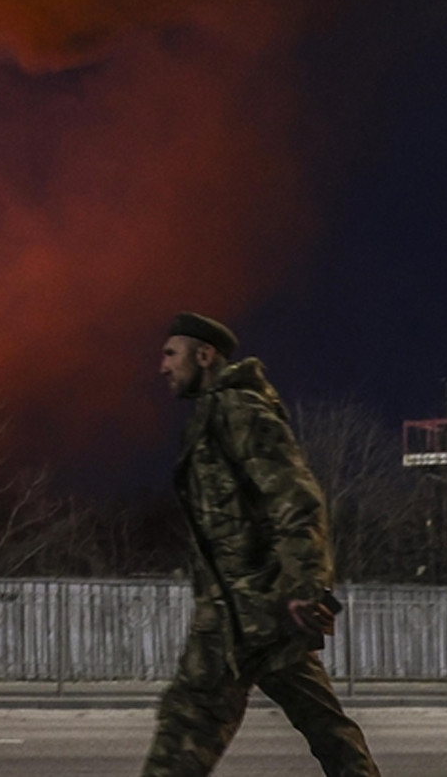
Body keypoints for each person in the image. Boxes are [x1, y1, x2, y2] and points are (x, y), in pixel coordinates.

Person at [142, 312, 380, 777]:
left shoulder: (238, 410)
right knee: (321, 729)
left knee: (191, 726)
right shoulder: (212, 416)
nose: (162, 367)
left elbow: (297, 498)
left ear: (204, 355)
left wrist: (307, 587)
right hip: (244, 612)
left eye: (171, 354)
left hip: (252, 610)